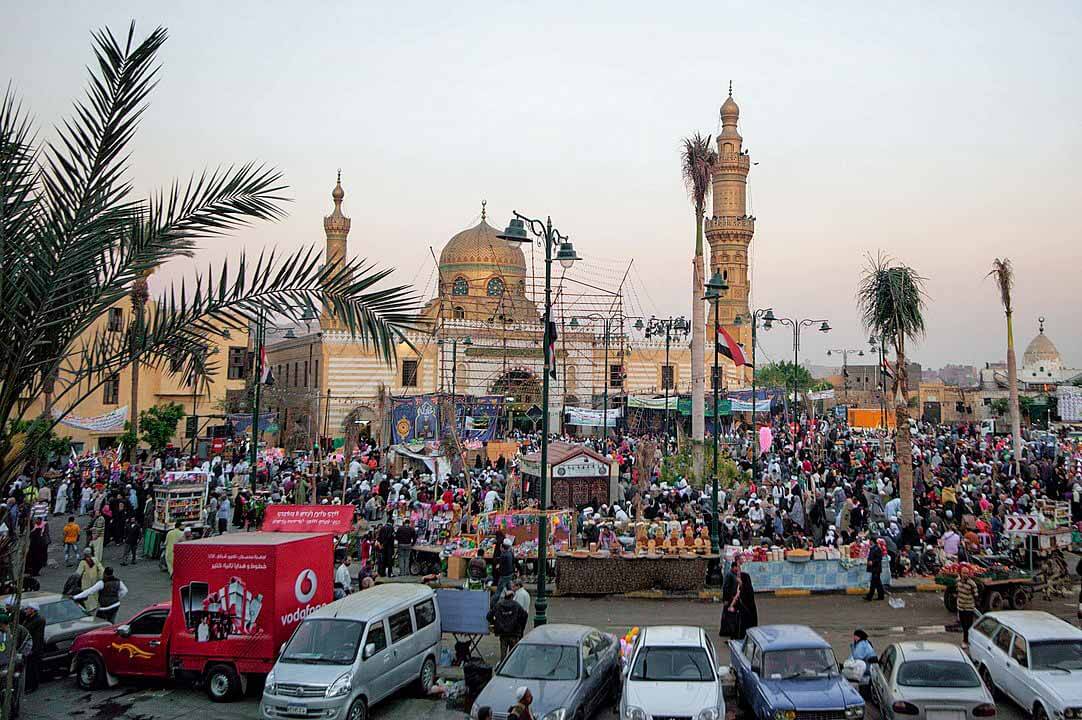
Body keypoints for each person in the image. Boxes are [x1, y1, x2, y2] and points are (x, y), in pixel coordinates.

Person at [720, 556, 758, 640]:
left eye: (739, 579)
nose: (738, 580)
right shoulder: (731, 576)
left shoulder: (747, 591)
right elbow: (728, 590)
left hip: (745, 615)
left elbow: (741, 598)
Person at [489, 588, 528, 660]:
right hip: (514, 632)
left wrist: (495, 624)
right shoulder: (516, 605)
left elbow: (489, 616)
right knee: (512, 655)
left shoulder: (499, 605)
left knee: (503, 654)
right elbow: (524, 615)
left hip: (503, 633)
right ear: (512, 596)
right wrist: (521, 627)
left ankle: (503, 664)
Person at [20, 605, 45, 693]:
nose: (26, 611)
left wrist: (33, 649)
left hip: (34, 648)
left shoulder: (38, 620)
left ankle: (32, 686)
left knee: (32, 668)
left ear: (33, 610)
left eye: (27, 609)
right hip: (30, 646)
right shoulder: (29, 619)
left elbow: (36, 636)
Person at [956, 566, 979, 649]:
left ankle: (966, 641)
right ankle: (967, 639)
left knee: (968, 626)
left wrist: (974, 603)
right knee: (963, 625)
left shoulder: (972, 584)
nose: (965, 575)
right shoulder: (958, 581)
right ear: (960, 573)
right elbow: (957, 591)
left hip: (969, 608)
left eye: (967, 573)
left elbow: (976, 595)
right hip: (961, 607)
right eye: (964, 573)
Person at [76, 548, 104, 612]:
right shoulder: (95, 559)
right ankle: (95, 605)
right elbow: (101, 569)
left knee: (87, 593)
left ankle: (89, 608)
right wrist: (101, 577)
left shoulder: (82, 562)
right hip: (95, 579)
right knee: (95, 592)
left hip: (86, 581)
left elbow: (78, 573)